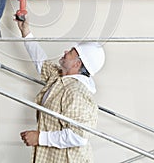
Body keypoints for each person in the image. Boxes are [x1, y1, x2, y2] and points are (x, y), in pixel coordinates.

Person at [17, 18, 105, 163]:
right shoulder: (60, 78)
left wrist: (39, 137)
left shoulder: (75, 92)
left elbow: (79, 136)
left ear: (77, 64)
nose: (65, 52)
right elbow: (41, 62)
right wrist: (25, 32)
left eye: (70, 52)